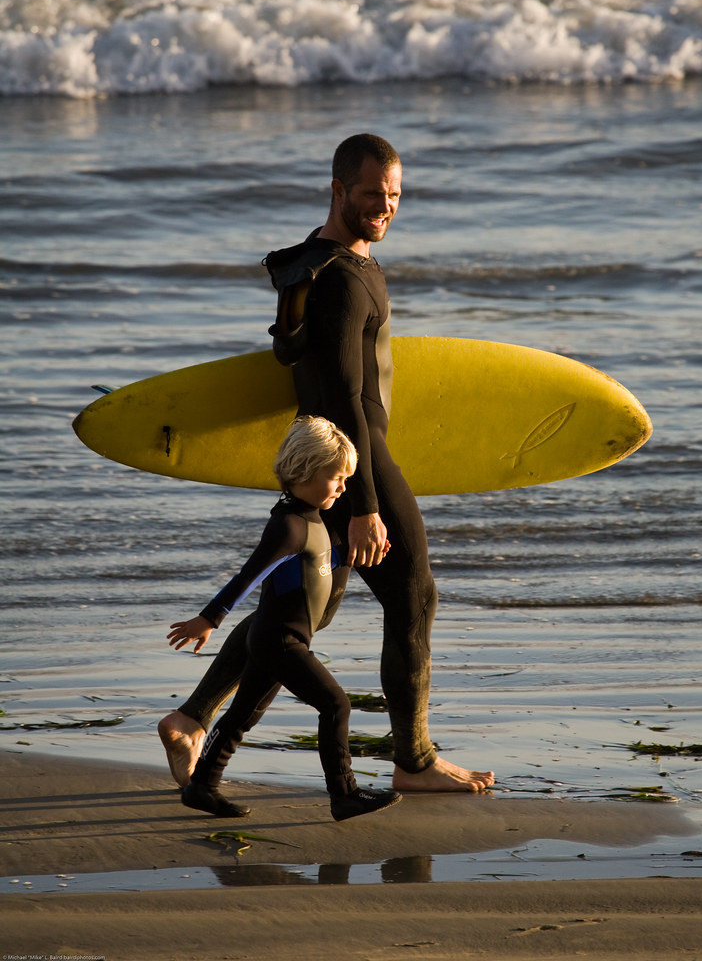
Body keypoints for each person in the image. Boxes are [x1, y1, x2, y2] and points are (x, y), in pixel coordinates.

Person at [159, 133, 494, 794]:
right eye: (372, 193)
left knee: (309, 607)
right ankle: (414, 761)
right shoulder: (340, 278)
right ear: (338, 189)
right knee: (413, 598)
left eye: (395, 194)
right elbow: (344, 393)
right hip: (352, 461)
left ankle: (192, 719)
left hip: (326, 463)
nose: (386, 205)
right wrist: (363, 502)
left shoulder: (316, 266)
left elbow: (298, 363)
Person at [178, 415, 402, 821]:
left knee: (244, 714)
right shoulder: (287, 525)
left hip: (284, 639)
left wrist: (346, 557)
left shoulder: (313, 518)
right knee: (336, 704)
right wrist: (210, 619)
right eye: (337, 477)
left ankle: (202, 787)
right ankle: (344, 793)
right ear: (305, 470)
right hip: (280, 640)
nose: (343, 487)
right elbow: (250, 575)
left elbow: (313, 564)